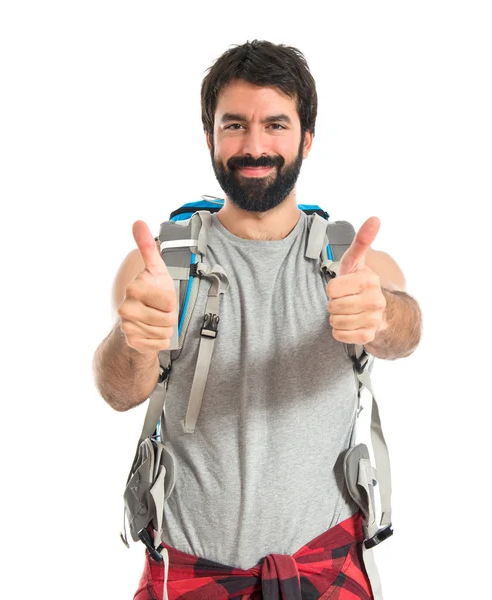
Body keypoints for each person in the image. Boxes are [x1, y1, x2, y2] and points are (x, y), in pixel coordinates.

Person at [93, 39, 422, 600]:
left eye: (275, 124)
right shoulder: (162, 267)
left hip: (327, 566)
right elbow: (120, 390)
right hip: (191, 572)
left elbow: (404, 333)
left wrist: (383, 313)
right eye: (234, 125)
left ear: (307, 138)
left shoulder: (352, 264)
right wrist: (133, 339)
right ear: (209, 137)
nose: (254, 145)